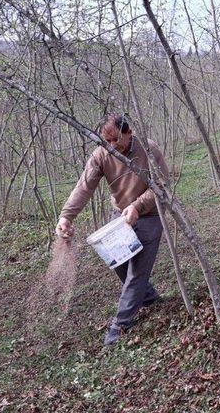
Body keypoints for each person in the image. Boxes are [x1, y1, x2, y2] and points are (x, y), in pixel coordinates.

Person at [55, 114, 169, 346]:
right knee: (119, 263)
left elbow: (162, 185)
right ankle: (146, 296)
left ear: (128, 133)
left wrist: (138, 206)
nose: (111, 145)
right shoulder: (101, 154)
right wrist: (66, 216)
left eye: (116, 139)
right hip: (120, 216)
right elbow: (84, 186)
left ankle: (120, 325)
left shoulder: (148, 149)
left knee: (137, 271)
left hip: (149, 215)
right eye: (106, 140)